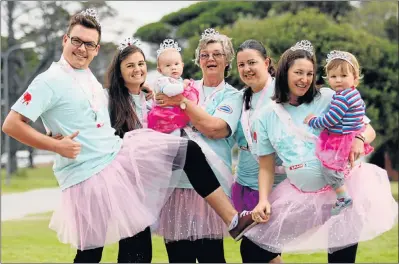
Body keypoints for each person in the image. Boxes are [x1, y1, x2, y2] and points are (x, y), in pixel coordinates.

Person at [1, 10, 254, 263]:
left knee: (139, 244)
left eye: (89, 44)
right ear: (64, 40)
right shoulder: (49, 80)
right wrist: (55, 145)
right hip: (89, 174)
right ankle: (233, 219)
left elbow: (81, 113)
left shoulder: (85, 75)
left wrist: (141, 88)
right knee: (91, 253)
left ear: (97, 48)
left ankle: (233, 219)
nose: (82, 49)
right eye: (77, 41)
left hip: (114, 161)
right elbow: (12, 124)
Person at [245, 40, 398, 262]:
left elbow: (367, 128)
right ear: (284, 73)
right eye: (298, 72)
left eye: (309, 73)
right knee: (253, 248)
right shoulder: (266, 115)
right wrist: (263, 200)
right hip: (299, 196)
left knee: (341, 258)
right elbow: (266, 166)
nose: (304, 79)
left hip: (341, 191)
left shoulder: (329, 97)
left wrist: (359, 138)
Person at [154, 28, 248, 263]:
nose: (210, 59)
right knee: (179, 258)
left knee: (211, 258)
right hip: (177, 184)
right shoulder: (185, 86)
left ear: (227, 60)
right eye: (204, 55)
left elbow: (215, 128)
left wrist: (181, 103)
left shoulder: (233, 96)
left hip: (212, 188)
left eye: (217, 54)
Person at [232, 39, 285, 263]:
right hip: (244, 183)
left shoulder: (283, 93)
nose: (246, 69)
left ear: (266, 62)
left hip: (274, 187)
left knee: (256, 251)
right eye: (241, 65)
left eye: (252, 62)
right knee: (263, 253)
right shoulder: (240, 97)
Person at [304, 50, 374, 215]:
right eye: (334, 77)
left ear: (355, 79)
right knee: (340, 168)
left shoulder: (342, 97)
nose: (338, 80)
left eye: (343, 75)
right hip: (348, 135)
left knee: (329, 168)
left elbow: (330, 120)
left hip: (340, 138)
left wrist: (313, 121)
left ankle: (343, 197)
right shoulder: (353, 94)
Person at [147, 38, 199, 136]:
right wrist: (183, 86)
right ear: (160, 70)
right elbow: (169, 90)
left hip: (177, 114)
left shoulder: (179, 80)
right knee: (173, 134)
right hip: (165, 116)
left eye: (176, 64)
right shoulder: (162, 81)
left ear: (182, 65)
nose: (173, 67)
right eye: (168, 65)